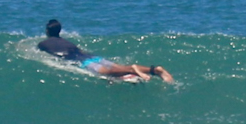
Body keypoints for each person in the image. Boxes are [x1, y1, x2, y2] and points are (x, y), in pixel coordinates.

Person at [35, 19, 175, 83]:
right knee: (116, 68)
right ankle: (155, 70)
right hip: (92, 57)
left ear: (47, 31)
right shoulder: (67, 41)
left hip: (81, 62)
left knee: (106, 73)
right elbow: (80, 50)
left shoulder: (43, 43)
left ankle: (132, 70)